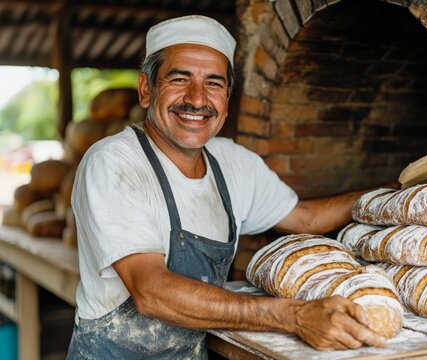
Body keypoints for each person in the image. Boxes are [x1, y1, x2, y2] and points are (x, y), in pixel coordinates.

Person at [67, 15, 390, 359]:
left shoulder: (233, 162)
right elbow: (152, 291)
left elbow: (306, 218)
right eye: (180, 79)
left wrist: (393, 194)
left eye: (214, 83)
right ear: (147, 89)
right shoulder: (114, 162)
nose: (197, 98)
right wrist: (293, 316)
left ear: (227, 98)